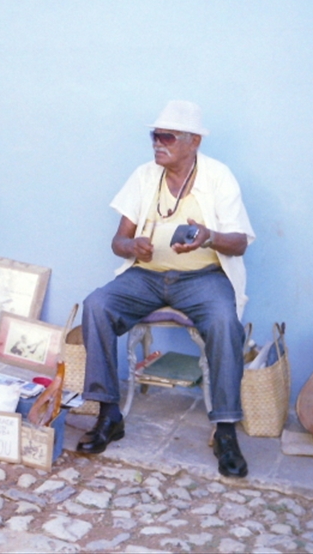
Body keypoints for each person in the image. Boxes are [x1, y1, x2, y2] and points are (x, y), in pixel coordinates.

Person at [78, 100, 255, 478]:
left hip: (203, 278)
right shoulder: (144, 176)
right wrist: (133, 247)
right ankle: (109, 414)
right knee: (96, 305)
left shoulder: (219, 177)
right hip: (146, 275)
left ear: (193, 142)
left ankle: (225, 431)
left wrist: (209, 237)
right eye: (154, 136)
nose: (157, 143)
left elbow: (239, 242)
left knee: (225, 323)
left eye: (167, 136)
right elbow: (118, 241)